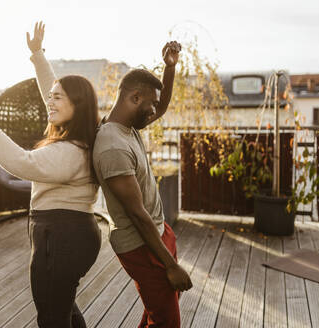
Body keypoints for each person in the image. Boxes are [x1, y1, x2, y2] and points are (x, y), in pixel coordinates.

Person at [0, 22, 101, 328]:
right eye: (52, 96)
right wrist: (37, 55)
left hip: (60, 236)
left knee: (52, 317)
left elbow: (19, 161)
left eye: (59, 99)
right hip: (68, 234)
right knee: (63, 310)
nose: (51, 101)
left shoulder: (70, 151)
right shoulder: (83, 138)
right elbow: (53, 90)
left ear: (78, 105)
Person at [92, 41, 193, 328]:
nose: (155, 112)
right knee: (167, 321)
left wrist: (169, 69)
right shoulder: (112, 146)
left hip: (157, 234)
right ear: (134, 98)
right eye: (150, 105)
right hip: (141, 245)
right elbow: (136, 214)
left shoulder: (127, 126)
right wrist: (171, 266)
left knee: (157, 312)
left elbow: (159, 105)